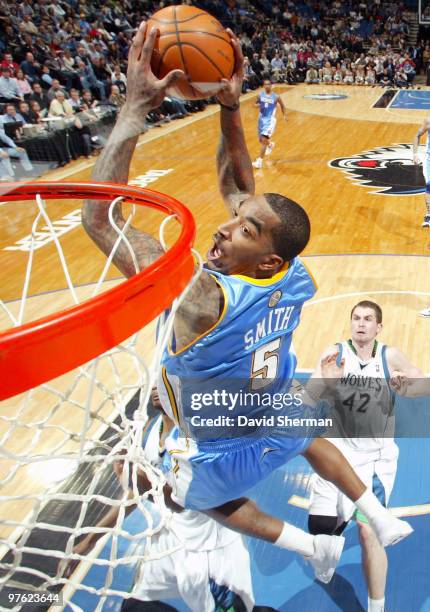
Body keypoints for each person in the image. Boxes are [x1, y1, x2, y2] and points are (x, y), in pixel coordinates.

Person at [82, 22, 413, 586]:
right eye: (237, 220)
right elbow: (241, 187)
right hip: (276, 416)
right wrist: (231, 108)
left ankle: (309, 544)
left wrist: (135, 107)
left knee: (181, 491)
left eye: (244, 229)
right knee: (307, 430)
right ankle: (375, 515)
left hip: (218, 443)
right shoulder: (295, 274)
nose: (225, 226)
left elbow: (99, 217)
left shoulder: (200, 297)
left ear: (264, 259)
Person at [64, 388, 256, 612]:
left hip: (212, 547)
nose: (158, 389)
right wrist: (91, 538)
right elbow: (137, 494)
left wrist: (141, 480)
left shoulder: (201, 436)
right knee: (135, 607)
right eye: (158, 380)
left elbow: (186, 503)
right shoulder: (151, 430)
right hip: (170, 542)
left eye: (168, 381)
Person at [307, 300, 428, 612]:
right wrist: (326, 381)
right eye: (356, 318)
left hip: (376, 458)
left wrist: (407, 387)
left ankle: (377, 608)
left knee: (368, 530)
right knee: (323, 531)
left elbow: (421, 386)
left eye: (368, 319)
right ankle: (324, 559)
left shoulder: (390, 356)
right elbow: (308, 397)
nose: (361, 323)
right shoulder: (334, 354)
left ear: (379, 327)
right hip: (336, 454)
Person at [252, 79, 287, 169]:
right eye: (265, 84)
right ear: (263, 86)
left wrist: (284, 115)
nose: (267, 86)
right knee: (261, 140)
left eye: (268, 84)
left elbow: (283, 106)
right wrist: (258, 105)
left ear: (271, 86)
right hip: (261, 119)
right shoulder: (260, 95)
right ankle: (270, 144)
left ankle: (259, 161)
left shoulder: (276, 97)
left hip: (270, 120)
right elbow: (254, 104)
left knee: (263, 140)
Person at [412, 118, 430, 229]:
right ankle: (428, 215)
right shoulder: (428, 121)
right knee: (429, 186)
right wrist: (415, 154)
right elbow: (417, 135)